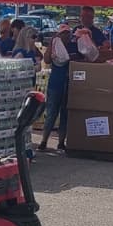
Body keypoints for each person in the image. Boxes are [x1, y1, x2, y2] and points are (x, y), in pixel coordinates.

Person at [37, 24, 75, 152]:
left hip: (68, 83)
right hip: (55, 83)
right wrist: (51, 45)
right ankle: (44, 141)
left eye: (67, 33)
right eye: (63, 33)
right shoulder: (55, 44)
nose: (66, 36)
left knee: (65, 113)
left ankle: (61, 142)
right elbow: (47, 60)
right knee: (52, 112)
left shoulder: (72, 46)